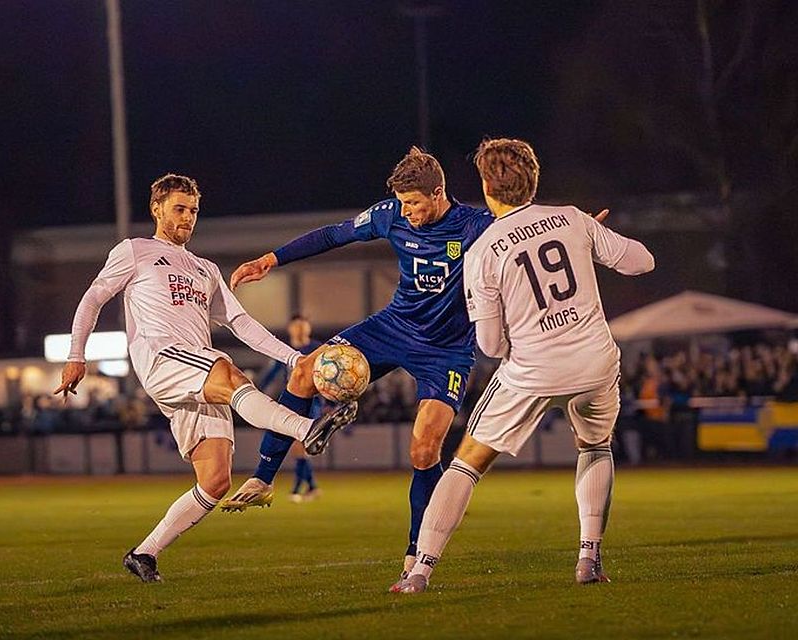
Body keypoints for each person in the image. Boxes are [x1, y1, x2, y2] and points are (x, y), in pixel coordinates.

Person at [55, 173, 358, 583]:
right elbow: (93, 298)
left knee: (215, 481)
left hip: (193, 374)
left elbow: (240, 323)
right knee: (228, 371)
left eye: (194, 210)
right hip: (164, 359)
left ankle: (144, 554)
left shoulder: (205, 268)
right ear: (156, 209)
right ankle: (307, 428)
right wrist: (77, 355)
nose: (188, 217)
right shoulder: (135, 251)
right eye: (179, 209)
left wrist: (293, 358)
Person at [220, 148, 495, 589]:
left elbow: (525, 230)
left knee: (425, 448)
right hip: (394, 326)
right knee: (304, 371)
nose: (407, 212)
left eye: (414, 204)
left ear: (439, 193)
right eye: (403, 204)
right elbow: (334, 235)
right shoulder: (391, 216)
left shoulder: (476, 224)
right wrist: (270, 260)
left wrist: (578, 231)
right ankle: (263, 478)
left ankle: (416, 552)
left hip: (446, 349)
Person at [396, 138, 654, 593]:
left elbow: (492, 345)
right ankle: (588, 556)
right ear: (533, 179)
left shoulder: (482, 251)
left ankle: (420, 571)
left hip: (533, 370)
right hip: (595, 362)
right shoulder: (573, 220)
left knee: (466, 464)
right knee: (594, 447)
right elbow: (642, 262)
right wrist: (589, 240)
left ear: (485, 186)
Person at [245, 314, 325, 504]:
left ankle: (300, 488)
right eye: (296, 326)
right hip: (291, 400)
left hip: (312, 401)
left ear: (308, 328)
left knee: (299, 446)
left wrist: (329, 403)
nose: (299, 329)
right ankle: (311, 487)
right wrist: (255, 391)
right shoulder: (285, 352)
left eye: (303, 325)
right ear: (290, 329)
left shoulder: (315, 348)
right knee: (298, 448)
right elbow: (272, 374)